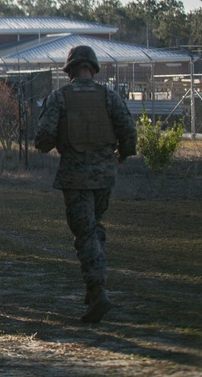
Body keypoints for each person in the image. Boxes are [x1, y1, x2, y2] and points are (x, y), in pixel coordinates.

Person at [34, 44, 137, 323]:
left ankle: (97, 289)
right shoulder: (109, 96)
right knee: (95, 227)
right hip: (105, 176)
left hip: (75, 176)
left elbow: (43, 137)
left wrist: (52, 144)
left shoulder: (60, 97)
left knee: (86, 233)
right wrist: (122, 155)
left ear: (69, 70)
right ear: (93, 68)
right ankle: (95, 288)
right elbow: (129, 131)